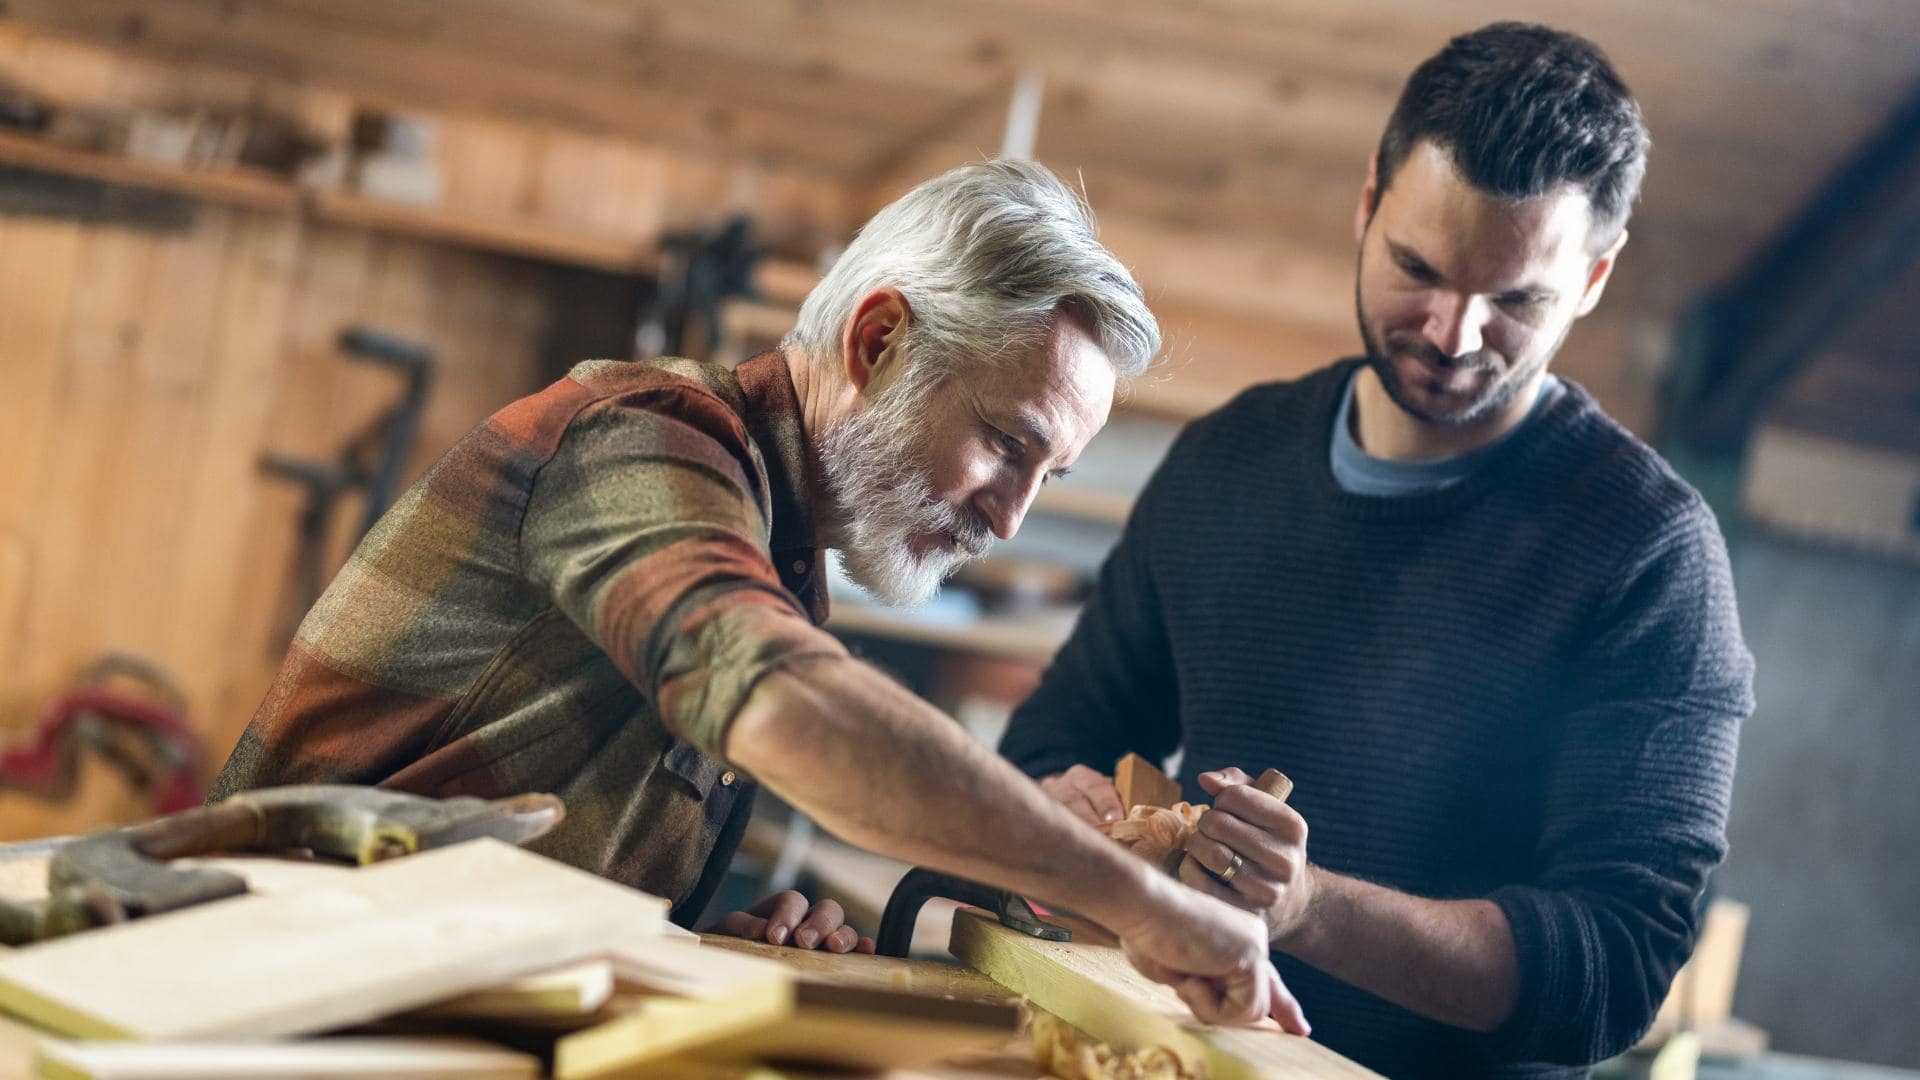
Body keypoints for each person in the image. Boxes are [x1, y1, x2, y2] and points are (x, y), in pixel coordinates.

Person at [209, 159, 1306, 1031]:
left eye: (1047, 477)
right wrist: (1142, 904)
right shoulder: (646, 438)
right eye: (1005, 444)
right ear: (880, 341)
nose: (1010, 518)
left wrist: (690, 936)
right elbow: (784, 702)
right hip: (238, 1010)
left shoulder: (781, 551)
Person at [1001, 23, 1753, 1077]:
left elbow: (1619, 965)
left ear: (1592, 279)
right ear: (1367, 203)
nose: (1452, 333)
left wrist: (1307, 909)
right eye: (1419, 268)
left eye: (1515, 302)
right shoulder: (1227, 462)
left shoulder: (1649, 553)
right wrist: (1059, 819)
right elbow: (1048, 745)